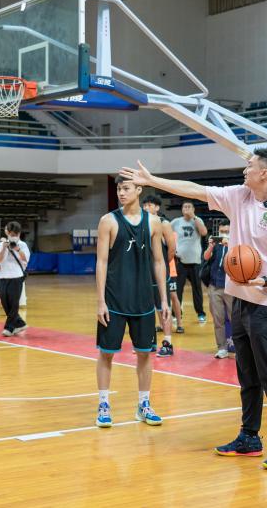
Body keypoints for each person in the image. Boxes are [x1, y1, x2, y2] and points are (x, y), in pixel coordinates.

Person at [121, 149, 267, 471]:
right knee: (247, 376)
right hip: (240, 301)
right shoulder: (238, 196)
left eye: (250, 167)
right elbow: (194, 189)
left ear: (264, 173)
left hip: (266, 304)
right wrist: (153, 180)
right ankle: (250, 436)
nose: (244, 170)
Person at [95, 176, 168, 428]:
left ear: (139, 190)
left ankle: (144, 405)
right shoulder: (108, 221)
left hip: (144, 300)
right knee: (106, 354)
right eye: (118, 189)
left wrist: (164, 300)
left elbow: (159, 262)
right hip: (114, 299)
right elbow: (101, 262)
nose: (121, 193)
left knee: (145, 354)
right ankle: (104, 403)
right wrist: (100, 300)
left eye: (126, 188)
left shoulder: (154, 222)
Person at [141, 194, 179, 357]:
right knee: (148, 308)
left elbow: (171, 249)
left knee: (163, 306)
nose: (146, 207)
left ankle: (168, 343)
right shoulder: (142, 223)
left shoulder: (164, 224)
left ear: (157, 207)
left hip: (159, 272)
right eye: (145, 205)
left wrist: (162, 265)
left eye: (150, 205)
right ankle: (151, 341)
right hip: (145, 273)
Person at [171, 201, 208, 322]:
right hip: (180, 261)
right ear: (181, 209)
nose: (186, 209)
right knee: (178, 289)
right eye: (184, 207)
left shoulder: (197, 220)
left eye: (189, 207)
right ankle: (176, 313)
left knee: (197, 290)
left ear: (193, 209)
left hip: (195, 262)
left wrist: (194, 217)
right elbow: (166, 233)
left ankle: (200, 313)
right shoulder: (176, 222)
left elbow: (204, 233)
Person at [0, 222, 30, 336]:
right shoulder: (2, 245)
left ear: (18, 234)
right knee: (5, 303)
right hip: (3, 276)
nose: (12, 236)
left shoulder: (22, 245)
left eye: (15, 234)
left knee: (14, 303)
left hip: (16, 277)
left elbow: (26, 259)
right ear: (7, 233)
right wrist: (4, 248)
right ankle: (20, 323)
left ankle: (9, 328)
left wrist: (18, 249)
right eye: (10, 233)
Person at [203, 219, 233, 359]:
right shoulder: (215, 245)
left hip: (232, 288)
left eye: (227, 232)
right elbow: (206, 257)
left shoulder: (237, 245)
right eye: (222, 232)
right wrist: (210, 246)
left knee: (236, 320)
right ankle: (222, 348)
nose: (224, 234)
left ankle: (241, 348)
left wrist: (230, 245)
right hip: (215, 286)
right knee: (218, 320)